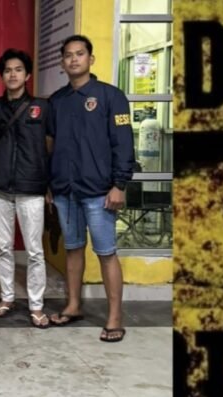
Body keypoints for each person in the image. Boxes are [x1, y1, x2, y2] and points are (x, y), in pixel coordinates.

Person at [47, 35, 135, 342]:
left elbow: (123, 143)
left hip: (100, 192)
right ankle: (73, 305)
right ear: (62, 62)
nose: (74, 59)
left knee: (106, 252)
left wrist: (119, 184)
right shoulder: (57, 101)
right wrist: (50, 183)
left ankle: (115, 317)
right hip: (65, 191)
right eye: (68, 55)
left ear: (91, 59)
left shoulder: (111, 96)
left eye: (80, 54)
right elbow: (50, 145)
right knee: (73, 249)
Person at [0, 49, 52, 328]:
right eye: (8, 70)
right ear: (2, 75)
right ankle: (7, 298)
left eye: (18, 69)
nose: (12, 74)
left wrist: (46, 180)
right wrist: (1, 165)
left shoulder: (42, 107)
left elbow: (49, 145)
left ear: (28, 75)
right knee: (3, 248)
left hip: (31, 188)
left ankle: (36, 305)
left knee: (35, 251)